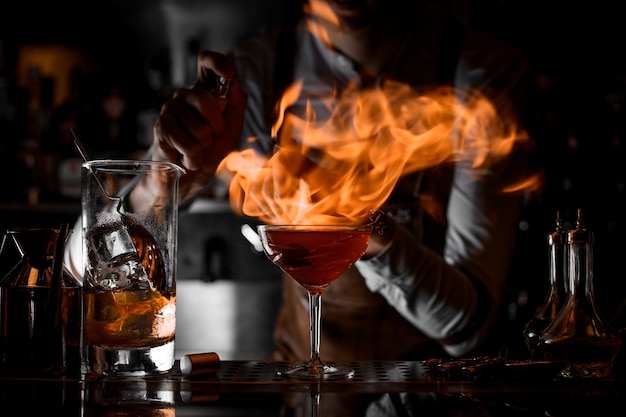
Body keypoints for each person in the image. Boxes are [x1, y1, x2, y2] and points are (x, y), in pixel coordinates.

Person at [69, 0, 537, 361]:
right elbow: (80, 267)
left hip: (426, 404)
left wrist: (367, 228)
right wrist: (164, 176)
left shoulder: (480, 76)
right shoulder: (255, 71)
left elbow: (470, 327)